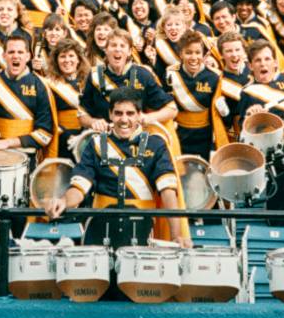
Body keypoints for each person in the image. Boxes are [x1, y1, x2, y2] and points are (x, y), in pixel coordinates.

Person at [45, 86, 191, 248]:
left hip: (141, 229)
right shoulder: (96, 144)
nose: (124, 119)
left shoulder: (156, 144)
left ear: (139, 115)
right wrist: (64, 201)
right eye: (118, 113)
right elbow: (80, 187)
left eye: (130, 113)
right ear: (110, 115)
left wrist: (176, 235)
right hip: (99, 228)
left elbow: (168, 191)